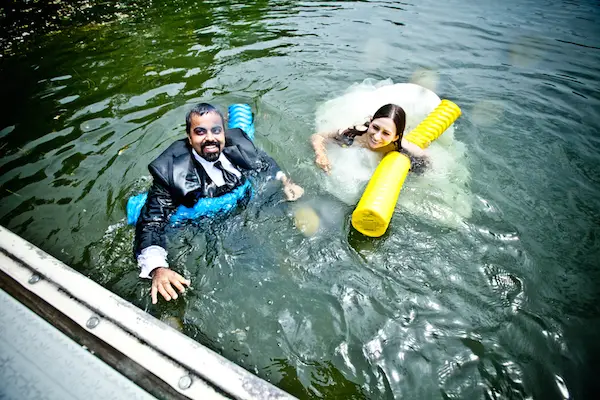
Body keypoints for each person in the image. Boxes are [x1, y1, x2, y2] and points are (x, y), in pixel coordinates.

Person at [135, 103, 304, 304]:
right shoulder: (170, 174)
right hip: (201, 219)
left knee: (245, 125)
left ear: (224, 133)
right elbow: (152, 222)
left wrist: (286, 181)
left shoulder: (238, 143)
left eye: (216, 130)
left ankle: (238, 111)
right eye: (200, 132)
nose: (210, 138)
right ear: (189, 138)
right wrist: (158, 269)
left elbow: (263, 161)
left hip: (242, 201)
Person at [310, 103, 428, 173]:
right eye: (375, 127)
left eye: (386, 133)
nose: (376, 137)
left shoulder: (401, 146)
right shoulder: (353, 135)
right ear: (370, 122)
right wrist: (320, 154)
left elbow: (425, 161)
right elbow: (318, 136)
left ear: (395, 137)